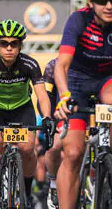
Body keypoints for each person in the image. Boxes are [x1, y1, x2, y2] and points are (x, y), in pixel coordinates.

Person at [53, 0, 112, 209]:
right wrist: (64, 96)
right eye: (101, 0)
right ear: (90, 1)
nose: (109, 5)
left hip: (109, 77)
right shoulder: (78, 20)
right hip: (77, 82)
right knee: (73, 154)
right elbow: (61, 65)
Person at [0, 19, 54, 208]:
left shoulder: (30, 64)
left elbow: (42, 95)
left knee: (27, 148)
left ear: (20, 45)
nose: (9, 48)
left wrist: (47, 117)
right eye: (4, 43)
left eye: (14, 43)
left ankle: (26, 192)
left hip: (21, 109)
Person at [41, 58, 61, 209]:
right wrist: (49, 118)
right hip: (57, 111)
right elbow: (45, 96)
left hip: (87, 111)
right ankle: (53, 186)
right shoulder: (52, 66)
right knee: (54, 148)